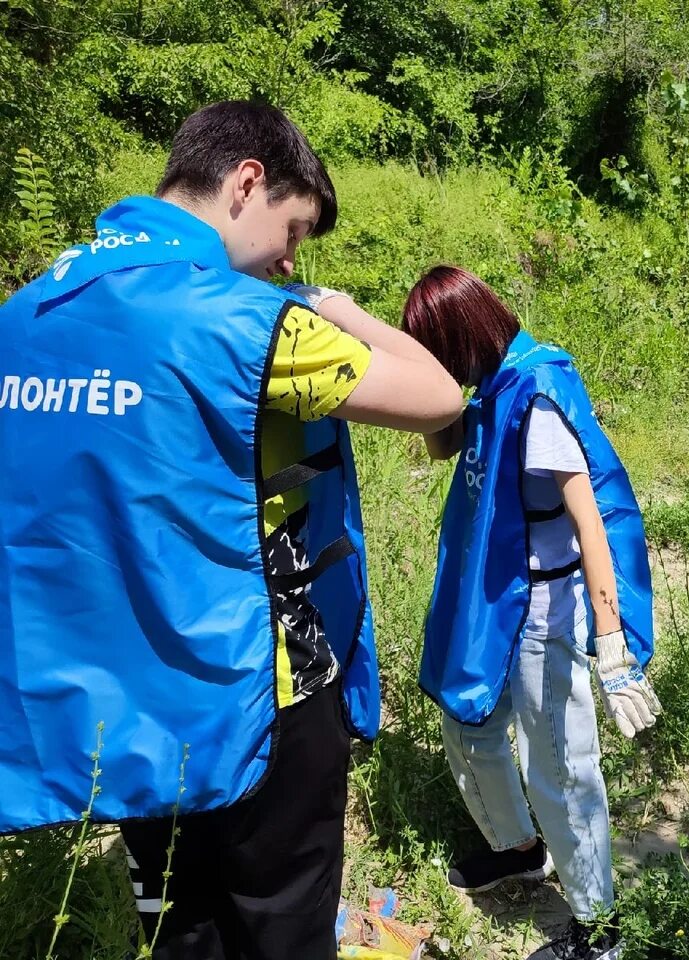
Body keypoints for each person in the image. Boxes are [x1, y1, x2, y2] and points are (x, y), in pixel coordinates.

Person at [0, 101, 463, 959]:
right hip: (258, 702)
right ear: (247, 181)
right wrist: (334, 306)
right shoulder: (248, 321)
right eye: (293, 230)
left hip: (120, 713)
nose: (290, 257)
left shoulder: (25, 314)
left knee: (179, 934)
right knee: (281, 927)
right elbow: (439, 397)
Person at [401, 266, 660, 960]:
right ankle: (520, 849)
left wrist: (611, 642)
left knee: (561, 766)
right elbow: (444, 443)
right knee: (470, 725)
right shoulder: (491, 387)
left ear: (463, 337)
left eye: (435, 350)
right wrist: (438, 396)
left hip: (546, 611)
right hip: (494, 602)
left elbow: (593, 524)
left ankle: (598, 930)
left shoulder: (536, 395)